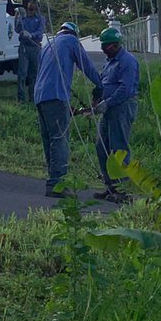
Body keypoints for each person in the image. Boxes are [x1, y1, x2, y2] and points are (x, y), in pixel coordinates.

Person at [34, 21, 102, 197]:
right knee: (60, 139)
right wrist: (100, 85)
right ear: (74, 33)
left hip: (40, 97)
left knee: (49, 140)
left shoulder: (48, 45)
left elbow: (46, 73)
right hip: (56, 96)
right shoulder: (71, 41)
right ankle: (57, 183)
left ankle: (52, 180)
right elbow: (86, 65)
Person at [92, 23, 140, 201]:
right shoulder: (109, 62)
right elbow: (104, 82)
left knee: (119, 147)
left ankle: (122, 190)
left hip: (122, 107)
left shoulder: (127, 61)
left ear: (116, 45)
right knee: (102, 146)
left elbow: (125, 89)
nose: (104, 49)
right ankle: (110, 186)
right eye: (102, 46)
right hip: (107, 108)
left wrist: (108, 102)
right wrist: (97, 98)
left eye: (107, 46)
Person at [15, 0, 45, 102]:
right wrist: (17, 18)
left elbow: (40, 32)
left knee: (34, 74)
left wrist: (31, 35)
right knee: (22, 73)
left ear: (37, 7)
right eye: (30, 3)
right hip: (24, 46)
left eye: (34, 3)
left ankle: (33, 97)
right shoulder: (23, 17)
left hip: (35, 47)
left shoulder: (40, 18)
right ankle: (21, 98)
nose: (31, 5)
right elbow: (17, 30)